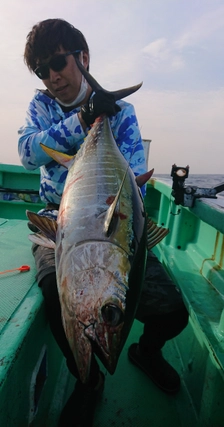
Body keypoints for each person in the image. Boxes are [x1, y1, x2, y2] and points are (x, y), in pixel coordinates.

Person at [18, 19, 189, 427]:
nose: (52, 76)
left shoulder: (122, 112)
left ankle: (146, 351)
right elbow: (27, 152)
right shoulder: (41, 106)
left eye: (57, 62)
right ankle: (88, 380)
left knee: (173, 311)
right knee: (56, 296)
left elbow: (134, 183)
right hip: (56, 220)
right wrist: (80, 121)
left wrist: (99, 117)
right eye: (42, 69)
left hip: (113, 225)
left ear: (83, 57)